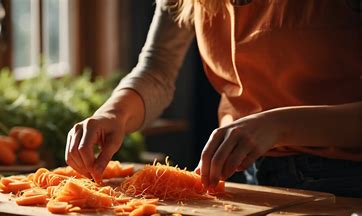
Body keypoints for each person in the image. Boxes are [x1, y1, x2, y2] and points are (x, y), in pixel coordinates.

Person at [65, 0, 362, 197]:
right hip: (245, 175)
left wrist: (280, 125)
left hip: (346, 181)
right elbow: (157, 69)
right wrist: (113, 114)